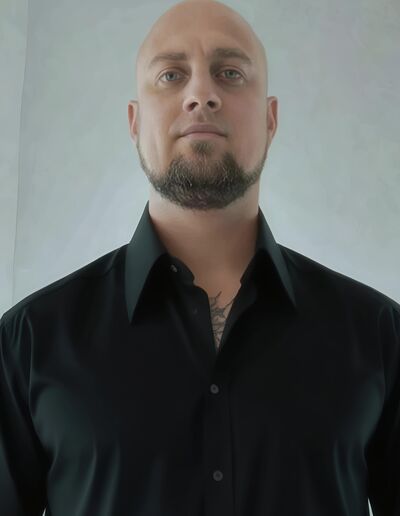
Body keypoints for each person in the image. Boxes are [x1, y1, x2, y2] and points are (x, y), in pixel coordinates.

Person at [1, 0, 399, 515]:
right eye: (171, 75)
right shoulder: (29, 343)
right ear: (134, 122)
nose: (201, 94)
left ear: (271, 118)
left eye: (230, 73)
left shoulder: (380, 337)